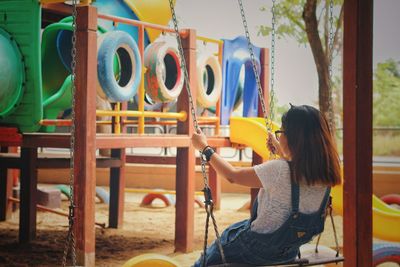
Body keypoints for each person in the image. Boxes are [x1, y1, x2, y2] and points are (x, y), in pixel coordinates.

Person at [191, 104, 341, 266]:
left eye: (281, 132)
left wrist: (205, 148)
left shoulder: (279, 170)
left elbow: (232, 176)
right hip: (286, 252)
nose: (280, 137)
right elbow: (297, 171)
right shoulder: (326, 173)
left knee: (210, 257)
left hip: (253, 248)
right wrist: (281, 151)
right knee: (238, 228)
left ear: (293, 138)